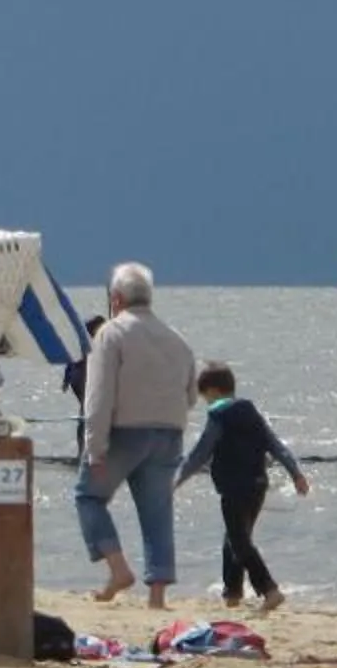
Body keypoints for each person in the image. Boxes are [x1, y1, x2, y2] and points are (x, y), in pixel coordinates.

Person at [75, 263, 197, 606]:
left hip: (123, 432)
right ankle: (157, 595)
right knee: (157, 512)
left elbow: (98, 397)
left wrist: (95, 448)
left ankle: (118, 569)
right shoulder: (177, 339)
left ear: (116, 299)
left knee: (88, 496)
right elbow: (190, 396)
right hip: (169, 434)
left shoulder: (110, 334)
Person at [173, 360, 311, 614]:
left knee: (239, 541)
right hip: (257, 485)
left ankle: (269, 589)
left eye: (205, 397)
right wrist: (296, 474)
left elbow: (201, 453)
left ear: (213, 391)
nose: (206, 402)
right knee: (234, 537)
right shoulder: (252, 414)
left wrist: (177, 480)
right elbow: (276, 445)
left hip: (234, 487)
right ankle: (232, 592)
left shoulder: (219, 415)